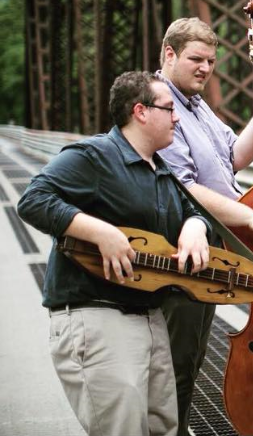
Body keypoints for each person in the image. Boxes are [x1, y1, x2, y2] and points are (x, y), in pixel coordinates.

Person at [17, 71, 212, 436]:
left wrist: (195, 227)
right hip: (99, 317)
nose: (177, 117)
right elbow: (33, 200)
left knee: (163, 429)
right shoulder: (94, 156)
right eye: (169, 108)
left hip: (150, 318)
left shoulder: (160, 168)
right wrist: (99, 231)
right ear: (140, 111)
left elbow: (194, 211)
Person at [155, 17, 253, 435]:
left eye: (211, 61)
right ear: (169, 54)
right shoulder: (162, 107)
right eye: (196, 59)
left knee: (190, 362)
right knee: (176, 366)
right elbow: (185, 187)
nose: (205, 68)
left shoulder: (196, 103)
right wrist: (250, 216)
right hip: (181, 252)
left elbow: (235, 158)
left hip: (211, 246)